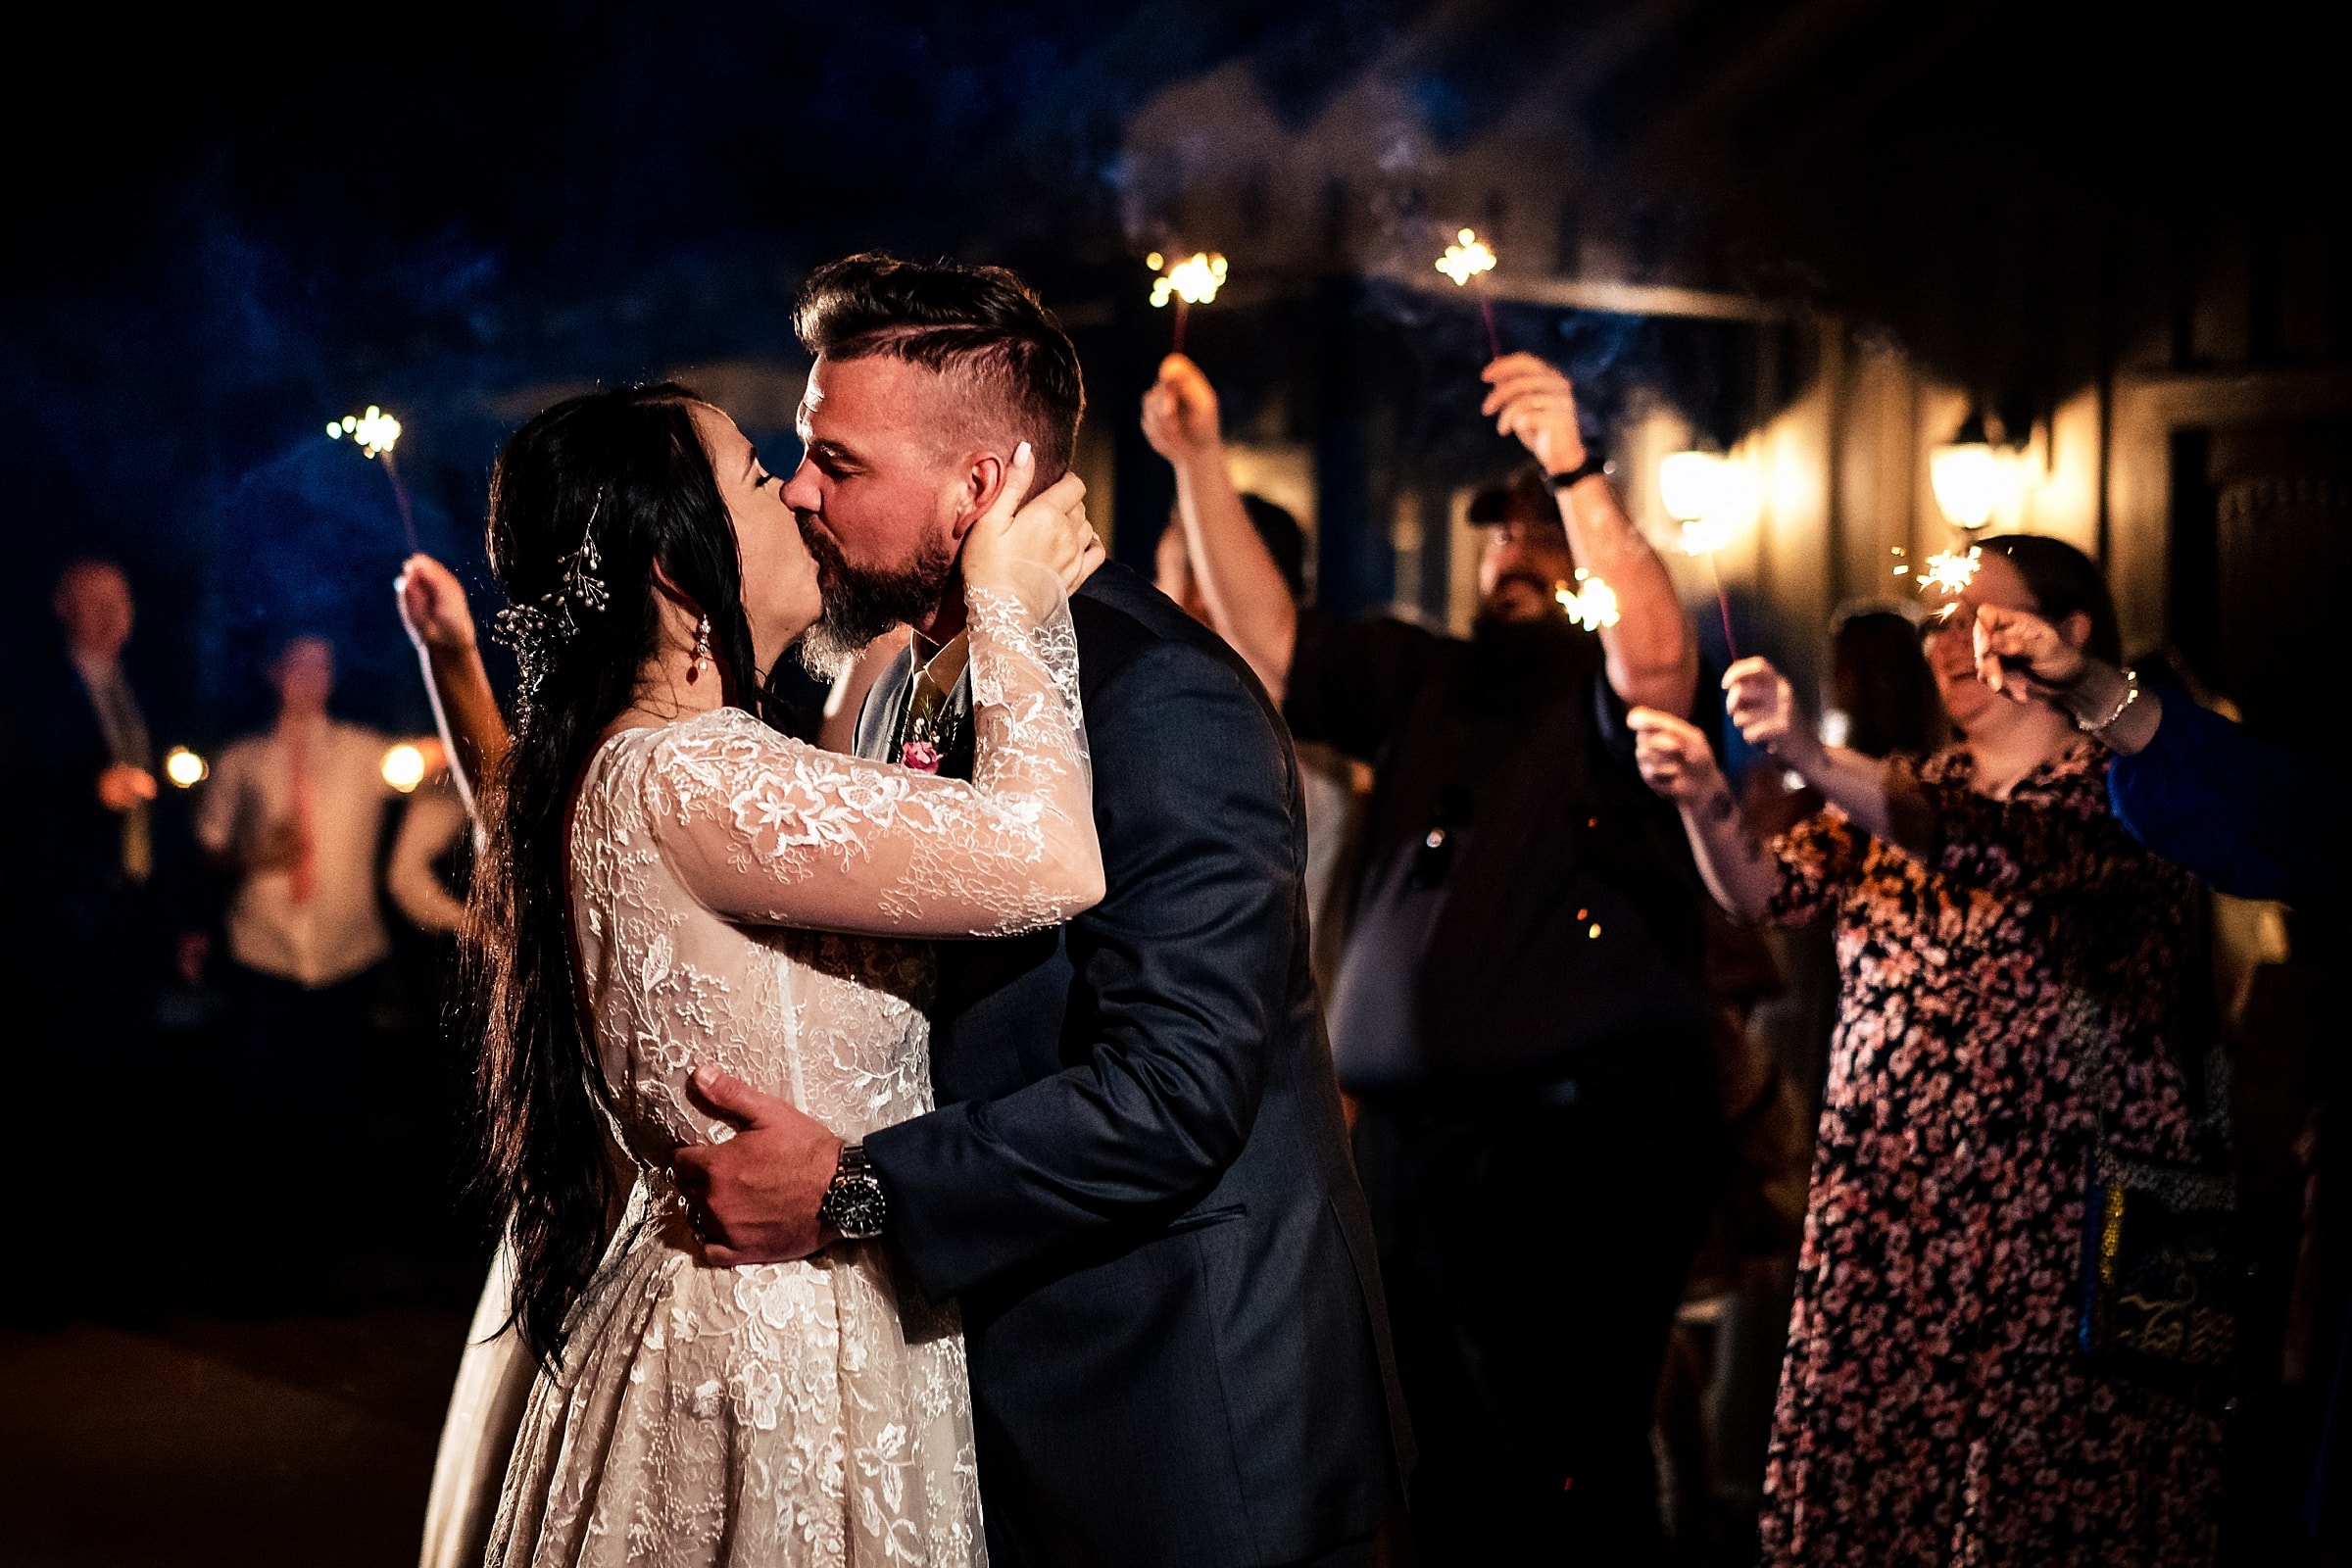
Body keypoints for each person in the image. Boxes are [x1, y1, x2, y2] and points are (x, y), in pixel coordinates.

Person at [674, 253, 1408, 1568]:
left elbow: (1175, 1092)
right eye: (801, 454)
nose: (799, 491)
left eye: (839, 463)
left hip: (1179, 1426)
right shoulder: (910, 681)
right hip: (1014, 1389)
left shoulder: (1159, 696)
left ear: (978, 487)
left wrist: (854, 1192)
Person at [466, 381, 1104, 1566]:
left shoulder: (635, 765)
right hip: (786, 1342)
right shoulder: (690, 776)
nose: (797, 497)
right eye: (761, 480)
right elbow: (1049, 858)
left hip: (727, 1309)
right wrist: (1015, 611)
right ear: (674, 567)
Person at [1143, 347, 1714, 1559]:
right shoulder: (1432, 679)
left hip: (1575, 1142)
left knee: (1568, 1464)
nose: (1513, 549)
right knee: (1430, 1463)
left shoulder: (1607, 698)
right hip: (1411, 1149)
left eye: (1537, 530)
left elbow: (1660, 658)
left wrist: (1573, 466)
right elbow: (1271, 647)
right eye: (1497, 533)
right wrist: (1200, 460)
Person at [1629, 534, 2227, 1565]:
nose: (1953, 642)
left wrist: (1811, 754)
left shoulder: (2129, 790)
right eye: (1944, 621)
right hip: (1891, 1216)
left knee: (2040, 1510)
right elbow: (1764, 892)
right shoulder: (1903, 783)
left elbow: (1983, 844)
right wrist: (1702, 796)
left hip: (2054, 1230)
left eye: (1985, 619)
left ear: (2070, 634)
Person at [1147, 473, 1364, 990]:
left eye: (1169, 579)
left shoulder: (1245, 754)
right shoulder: (1318, 752)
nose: (1155, 600)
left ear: (1207, 596)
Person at [1970, 601, 2334, 905]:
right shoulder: (1943, 769)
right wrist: (2085, 686)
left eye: (1970, 618)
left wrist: (2086, 686)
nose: (1968, 637)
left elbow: (2281, 823)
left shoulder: (2095, 780)